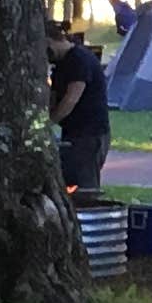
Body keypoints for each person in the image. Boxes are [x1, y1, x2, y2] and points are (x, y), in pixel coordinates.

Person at [48, 16, 111, 197]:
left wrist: (49, 122)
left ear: (53, 41)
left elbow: (70, 99)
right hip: (72, 133)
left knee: (85, 187)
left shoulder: (79, 60)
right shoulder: (60, 65)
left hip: (90, 134)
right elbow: (54, 96)